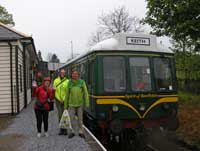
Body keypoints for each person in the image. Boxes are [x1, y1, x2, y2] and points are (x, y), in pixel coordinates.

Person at [64, 70, 89, 139]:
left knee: (80, 119)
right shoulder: (69, 82)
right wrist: (65, 106)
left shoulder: (82, 82)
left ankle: (81, 132)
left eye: (76, 74)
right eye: (73, 74)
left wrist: (87, 102)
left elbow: (86, 92)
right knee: (71, 119)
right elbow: (67, 94)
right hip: (71, 104)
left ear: (78, 75)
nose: (75, 75)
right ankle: (72, 132)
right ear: (71, 75)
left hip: (80, 104)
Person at [53, 69, 68, 135]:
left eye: (63, 73)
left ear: (65, 74)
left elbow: (68, 91)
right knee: (60, 114)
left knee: (65, 114)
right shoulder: (56, 81)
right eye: (61, 72)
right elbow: (55, 91)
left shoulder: (67, 81)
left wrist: (64, 99)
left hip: (65, 100)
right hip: (58, 100)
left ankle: (65, 130)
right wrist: (59, 99)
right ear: (59, 73)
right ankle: (61, 129)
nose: (62, 73)